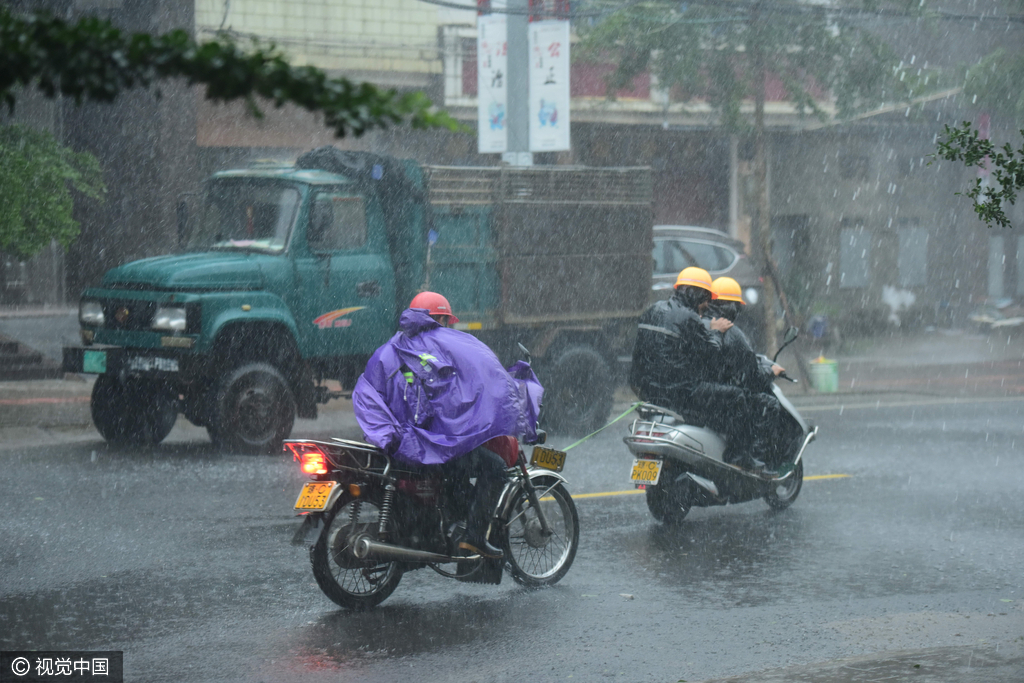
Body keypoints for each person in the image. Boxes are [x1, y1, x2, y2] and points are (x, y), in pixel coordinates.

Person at [352, 291, 542, 559]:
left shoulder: (387, 351)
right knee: (494, 467)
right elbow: (464, 396)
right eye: (446, 320)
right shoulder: (446, 348)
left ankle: (451, 522)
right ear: (440, 318)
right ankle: (474, 539)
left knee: (460, 468)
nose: (448, 326)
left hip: (393, 444)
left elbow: (367, 394)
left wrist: (390, 434)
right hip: (425, 447)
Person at [630, 267, 769, 471]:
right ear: (697, 294)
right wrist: (715, 331)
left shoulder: (652, 311)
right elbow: (710, 355)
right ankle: (739, 456)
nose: (705, 306)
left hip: (646, 391)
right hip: (680, 394)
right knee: (738, 397)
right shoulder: (689, 318)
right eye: (705, 300)